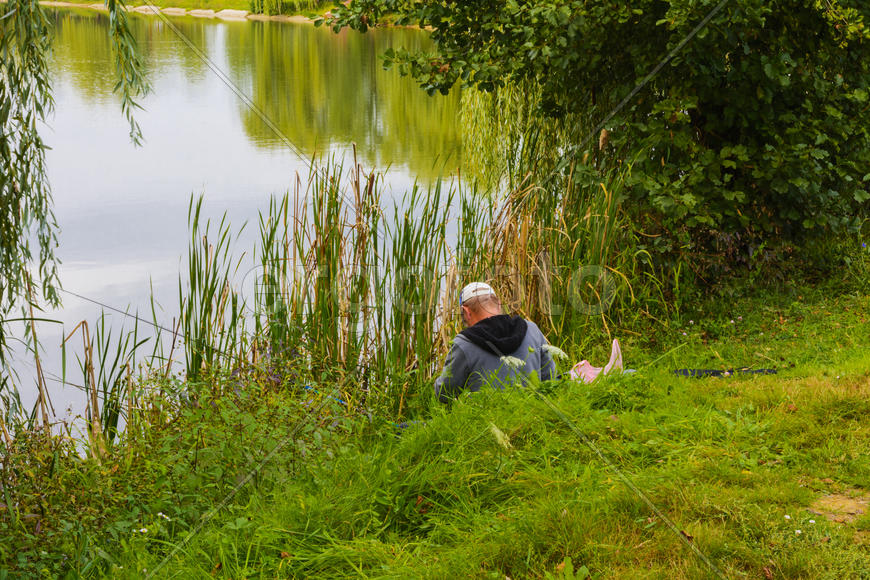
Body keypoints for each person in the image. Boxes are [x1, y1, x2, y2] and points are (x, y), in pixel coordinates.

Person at [434, 282, 555, 403]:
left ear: (466, 311)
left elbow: (445, 394)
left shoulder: (464, 343)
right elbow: (550, 379)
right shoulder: (531, 329)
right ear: (498, 304)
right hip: (533, 414)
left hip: (488, 419)